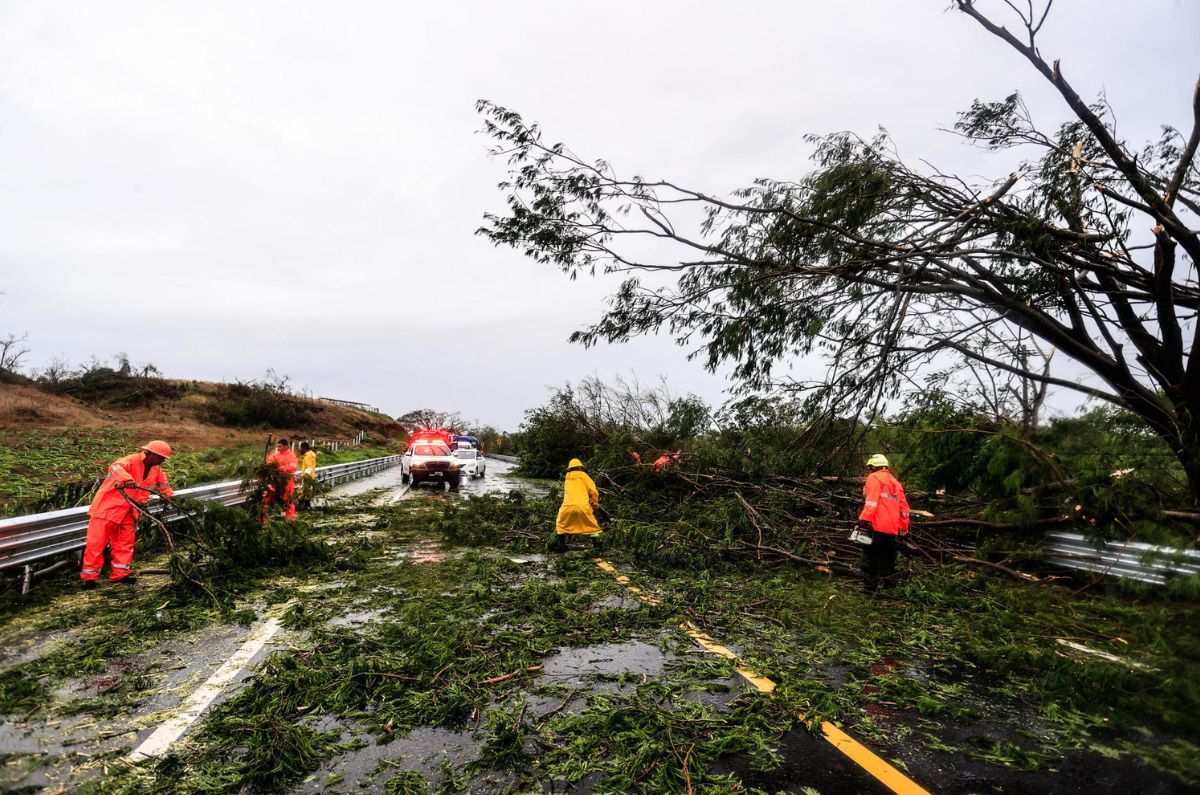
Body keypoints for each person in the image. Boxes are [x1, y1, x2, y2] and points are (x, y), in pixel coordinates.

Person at [80, 441, 174, 588]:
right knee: (96, 544)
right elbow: (115, 467)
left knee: (125, 544)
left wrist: (168, 495)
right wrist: (126, 479)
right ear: (150, 454)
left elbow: (164, 485)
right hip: (108, 509)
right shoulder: (129, 461)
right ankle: (89, 578)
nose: (162, 461)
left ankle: (120, 575)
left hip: (130, 511)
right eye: (161, 457)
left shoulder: (157, 470)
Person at [858, 453, 910, 592]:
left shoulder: (874, 478)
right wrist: (903, 526)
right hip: (892, 529)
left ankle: (870, 587)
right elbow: (904, 508)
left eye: (870, 468)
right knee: (888, 558)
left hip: (876, 525)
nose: (869, 470)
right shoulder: (896, 483)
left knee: (870, 557)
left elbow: (871, 501)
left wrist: (864, 519)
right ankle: (889, 587)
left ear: (874, 467)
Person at [552, 457, 601, 551]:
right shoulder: (584, 476)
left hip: (567, 508)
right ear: (580, 467)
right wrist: (594, 503)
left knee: (560, 525)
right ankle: (597, 547)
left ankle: (561, 546)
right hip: (583, 507)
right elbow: (593, 491)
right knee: (593, 527)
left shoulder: (567, 478)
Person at [262, 437, 299, 522]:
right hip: (275, 480)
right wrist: (266, 465)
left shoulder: (291, 455)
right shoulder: (276, 454)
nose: (278, 448)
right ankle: (263, 518)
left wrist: (282, 468)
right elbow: (269, 461)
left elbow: (293, 467)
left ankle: (290, 518)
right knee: (267, 497)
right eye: (277, 446)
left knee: (288, 499)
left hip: (287, 481)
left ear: (286, 446)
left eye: (280, 446)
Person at [297, 441, 318, 510]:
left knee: (304, 491)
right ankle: (307, 506)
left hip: (307, 476)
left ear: (304, 448)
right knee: (307, 492)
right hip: (312, 476)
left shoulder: (308, 456)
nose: (300, 450)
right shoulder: (312, 454)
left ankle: (303, 507)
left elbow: (309, 466)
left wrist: (305, 474)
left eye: (301, 448)